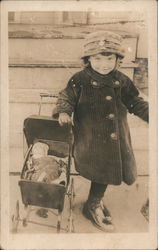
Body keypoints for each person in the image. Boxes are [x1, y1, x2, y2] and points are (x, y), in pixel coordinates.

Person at [54, 31, 149, 232]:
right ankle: (93, 204)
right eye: (97, 58)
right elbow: (66, 97)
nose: (104, 64)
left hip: (116, 136)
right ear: (88, 59)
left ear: (117, 59)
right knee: (102, 168)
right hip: (91, 137)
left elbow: (134, 101)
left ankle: (94, 201)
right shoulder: (79, 79)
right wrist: (63, 111)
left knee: (107, 168)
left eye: (109, 58)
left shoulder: (121, 80)